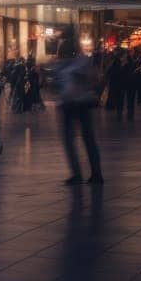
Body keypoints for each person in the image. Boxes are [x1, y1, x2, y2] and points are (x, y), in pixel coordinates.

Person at [55, 39, 104, 185]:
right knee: (86, 139)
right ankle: (94, 173)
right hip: (78, 103)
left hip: (74, 103)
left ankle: (81, 173)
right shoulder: (83, 61)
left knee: (73, 139)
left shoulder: (72, 64)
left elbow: (93, 79)